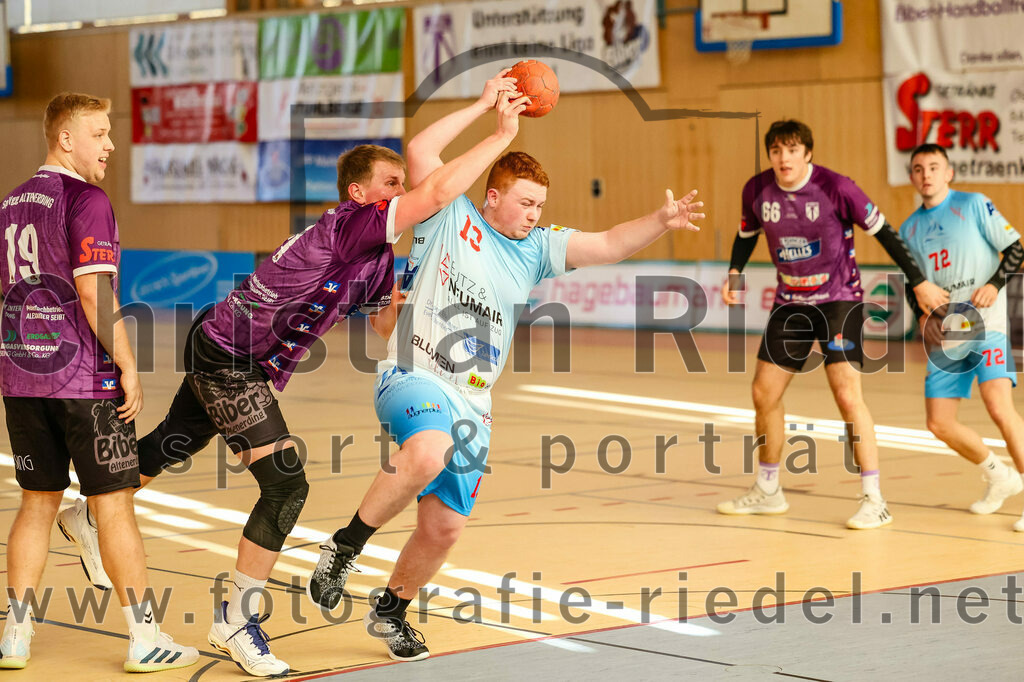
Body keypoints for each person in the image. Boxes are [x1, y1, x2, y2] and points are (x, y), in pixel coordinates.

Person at [56, 78, 529, 676]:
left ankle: (91, 509)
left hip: (227, 347)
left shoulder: (378, 259)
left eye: (399, 188)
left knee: (174, 442)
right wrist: (498, 128)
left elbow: (388, 329)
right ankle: (235, 622)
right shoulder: (354, 223)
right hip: (230, 353)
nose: (402, 194)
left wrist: (426, 311)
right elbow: (437, 187)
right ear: (360, 193)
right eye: (391, 186)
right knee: (286, 486)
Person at [306, 79, 705, 662]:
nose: (534, 214)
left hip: (474, 401)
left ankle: (391, 609)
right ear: (493, 196)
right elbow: (420, 152)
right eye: (524, 202)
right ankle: (343, 549)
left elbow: (612, 244)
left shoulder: (539, 247)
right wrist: (491, 121)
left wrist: (660, 220)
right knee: (426, 453)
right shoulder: (449, 217)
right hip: (414, 373)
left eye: (540, 205)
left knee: (443, 528)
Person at [0, 92, 199, 672]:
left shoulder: (10, 205)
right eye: (100, 132)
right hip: (82, 380)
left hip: (21, 376)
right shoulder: (85, 199)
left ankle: (14, 635)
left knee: (36, 503)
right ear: (66, 138)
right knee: (112, 506)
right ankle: (144, 637)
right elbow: (94, 293)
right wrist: (130, 364)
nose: (110, 144)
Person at [718, 119, 949, 530]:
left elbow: (887, 235)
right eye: (776, 151)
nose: (783, 158)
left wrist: (920, 282)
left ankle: (874, 499)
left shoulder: (837, 187)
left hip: (840, 299)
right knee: (762, 392)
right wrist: (735, 271)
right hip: (790, 302)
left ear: (808, 153)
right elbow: (746, 234)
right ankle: (768, 490)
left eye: (791, 150)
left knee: (846, 396)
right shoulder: (756, 190)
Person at [899, 143, 1024, 529]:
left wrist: (994, 283)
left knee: (999, 405)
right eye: (919, 169)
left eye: (934, 167)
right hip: (949, 334)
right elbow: (912, 282)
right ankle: (1000, 475)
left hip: (987, 322)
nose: (927, 174)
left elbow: (1016, 248)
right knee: (939, 423)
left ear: (949, 173)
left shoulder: (973, 205)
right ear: (912, 177)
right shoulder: (908, 228)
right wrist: (921, 315)